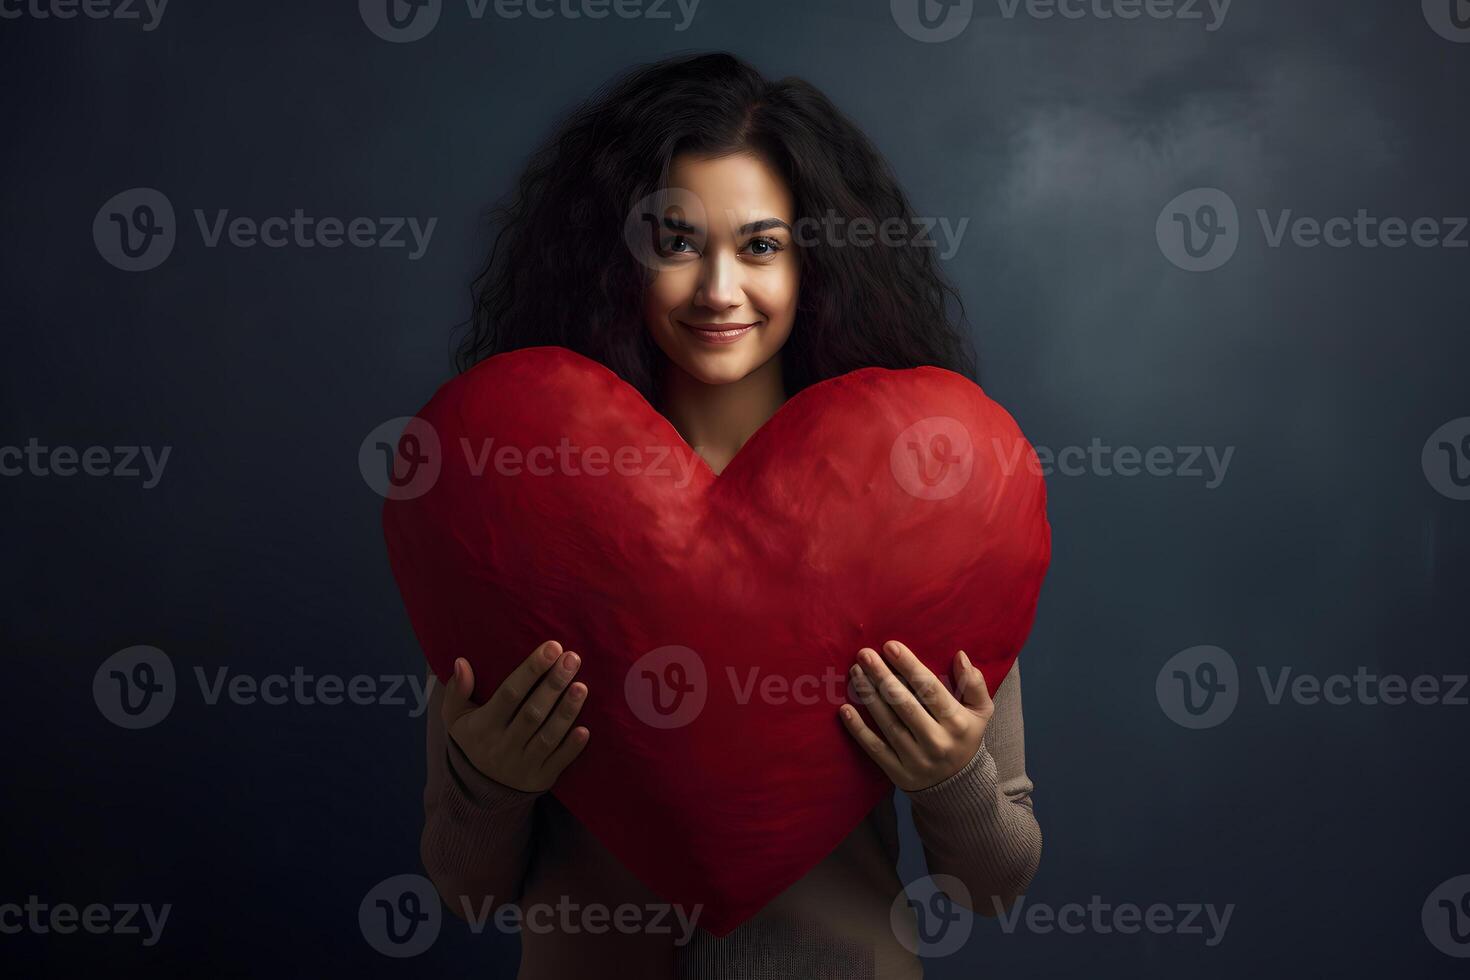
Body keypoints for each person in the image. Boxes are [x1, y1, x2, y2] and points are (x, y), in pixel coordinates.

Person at [420, 51, 1042, 979]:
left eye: (760, 246)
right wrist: (491, 783)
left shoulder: (920, 507)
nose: (718, 290)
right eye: (675, 242)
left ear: (815, 259)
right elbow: (464, 892)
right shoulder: (522, 499)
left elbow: (990, 886)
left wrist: (951, 776)